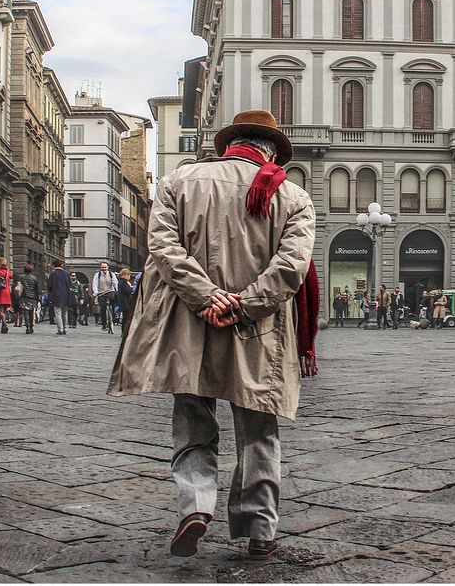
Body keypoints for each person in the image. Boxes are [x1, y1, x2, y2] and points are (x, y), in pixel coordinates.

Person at [108, 110, 317, 561]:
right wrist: (243, 304)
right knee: (258, 430)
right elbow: (290, 268)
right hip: (258, 329)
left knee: (193, 423)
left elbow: (163, 249)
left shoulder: (177, 182)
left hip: (191, 322)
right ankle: (260, 529)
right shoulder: (292, 195)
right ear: (272, 151)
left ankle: (195, 508)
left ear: (228, 145)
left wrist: (207, 297)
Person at [92, 261, 119, 332]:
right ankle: (104, 324)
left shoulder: (111, 274)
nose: (104, 269)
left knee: (113, 302)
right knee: (102, 308)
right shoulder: (97, 275)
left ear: (107, 268)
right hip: (101, 293)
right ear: (100, 268)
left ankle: (113, 317)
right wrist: (95, 292)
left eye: (105, 267)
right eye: (102, 267)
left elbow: (116, 283)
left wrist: (117, 290)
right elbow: (94, 284)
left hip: (110, 291)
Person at [47, 259, 72, 335]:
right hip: (65, 295)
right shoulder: (66, 273)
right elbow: (69, 285)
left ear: (54, 265)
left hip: (56, 295)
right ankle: (65, 328)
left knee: (58, 312)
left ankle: (60, 329)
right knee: (64, 313)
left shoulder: (52, 274)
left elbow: (50, 286)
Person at [17, 263, 40, 334]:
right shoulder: (34, 278)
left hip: (24, 297)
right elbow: (36, 289)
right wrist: (37, 299)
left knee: (25, 312)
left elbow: (19, 287)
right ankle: (31, 326)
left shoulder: (21, 277)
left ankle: (28, 327)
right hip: (32, 298)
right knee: (31, 312)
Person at [0, 258, 13, 334]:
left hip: (0, 292)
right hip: (7, 291)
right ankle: (3, 325)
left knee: (0, 310)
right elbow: (11, 276)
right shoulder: (7, 270)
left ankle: (4, 323)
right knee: (5, 308)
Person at [115, 268, 135, 334]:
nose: (129, 277)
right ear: (125, 275)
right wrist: (130, 287)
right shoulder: (123, 282)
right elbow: (128, 291)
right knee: (126, 318)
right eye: (129, 275)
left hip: (124, 302)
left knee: (125, 317)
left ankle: (124, 331)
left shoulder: (121, 282)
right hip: (125, 302)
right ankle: (124, 331)